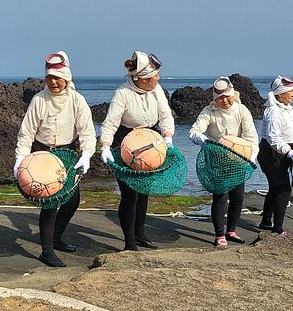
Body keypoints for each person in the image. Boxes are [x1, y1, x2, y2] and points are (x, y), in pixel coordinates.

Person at [13, 51, 96, 268]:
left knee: (72, 200)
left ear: (66, 79)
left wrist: (87, 154)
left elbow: (86, 131)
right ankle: (46, 251)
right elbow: (26, 132)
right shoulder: (39, 100)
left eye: (57, 78)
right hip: (43, 153)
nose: (53, 83)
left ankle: (56, 237)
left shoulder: (78, 101)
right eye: (49, 78)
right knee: (50, 203)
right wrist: (20, 159)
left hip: (67, 153)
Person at [100, 51, 174, 251]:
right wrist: (105, 146)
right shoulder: (122, 93)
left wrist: (167, 137)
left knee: (144, 192)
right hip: (126, 144)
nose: (157, 78)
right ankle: (129, 242)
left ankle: (140, 233)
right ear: (141, 79)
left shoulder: (157, 89)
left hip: (151, 141)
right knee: (129, 194)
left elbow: (165, 114)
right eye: (154, 76)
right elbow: (110, 123)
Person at [189, 76, 259, 246]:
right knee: (220, 196)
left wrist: (251, 158)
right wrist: (203, 140)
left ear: (233, 94)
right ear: (215, 98)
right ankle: (219, 235)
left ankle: (231, 231)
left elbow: (251, 138)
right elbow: (194, 132)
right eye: (220, 98)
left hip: (239, 159)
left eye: (228, 96)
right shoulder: (209, 111)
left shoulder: (242, 111)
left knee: (238, 197)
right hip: (217, 159)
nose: (225, 101)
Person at [258, 75, 293, 235]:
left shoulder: (287, 109)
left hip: (284, 153)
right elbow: (273, 138)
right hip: (271, 153)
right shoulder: (273, 111)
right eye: (290, 91)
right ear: (280, 94)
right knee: (284, 189)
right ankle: (277, 228)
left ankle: (266, 222)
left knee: (275, 187)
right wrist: (291, 153)